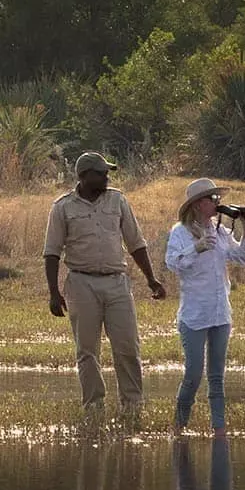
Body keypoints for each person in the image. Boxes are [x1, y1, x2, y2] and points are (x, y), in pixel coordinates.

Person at [43, 151, 168, 416]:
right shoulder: (63, 207)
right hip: (81, 283)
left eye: (107, 172)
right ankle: (94, 407)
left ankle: (133, 405)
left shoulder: (118, 200)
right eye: (101, 173)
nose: (106, 177)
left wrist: (151, 279)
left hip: (116, 282)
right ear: (84, 176)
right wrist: (54, 293)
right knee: (87, 351)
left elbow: (135, 243)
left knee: (127, 347)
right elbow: (52, 252)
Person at [163, 178, 245, 435]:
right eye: (211, 199)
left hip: (220, 313)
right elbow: (173, 263)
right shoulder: (180, 232)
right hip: (194, 314)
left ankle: (219, 431)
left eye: (216, 198)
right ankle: (179, 426)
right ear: (197, 204)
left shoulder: (220, 231)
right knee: (193, 374)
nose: (217, 203)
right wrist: (197, 247)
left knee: (217, 377)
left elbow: (243, 257)